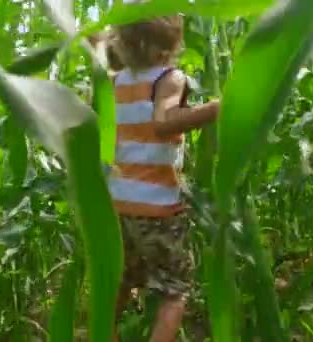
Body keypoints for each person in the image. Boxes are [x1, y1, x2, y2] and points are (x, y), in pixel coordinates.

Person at [100, 13, 220, 342]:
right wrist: (216, 108)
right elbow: (165, 123)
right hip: (158, 208)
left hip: (119, 205)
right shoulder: (168, 78)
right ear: (168, 47)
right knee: (175, 291)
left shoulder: (113, 83)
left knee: (118, 285)